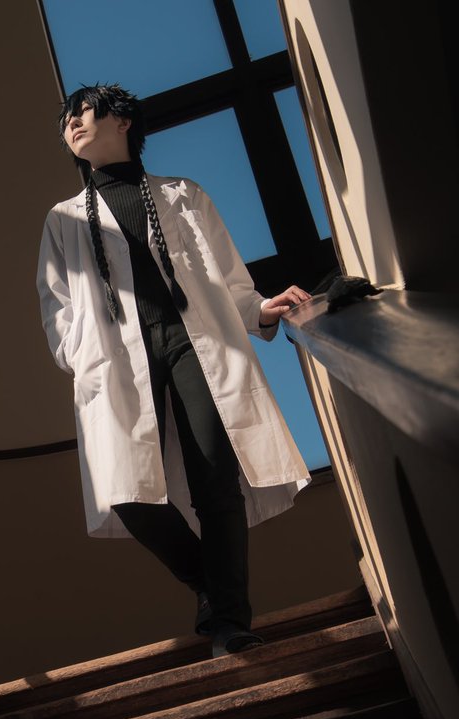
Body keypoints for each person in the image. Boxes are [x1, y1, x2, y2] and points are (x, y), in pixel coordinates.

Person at [36, 84, 312, 656]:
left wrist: (261, 309)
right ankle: (208, 584)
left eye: (81, 112)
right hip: (116, 357)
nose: (71, 125)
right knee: (124, 491)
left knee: (216, 478)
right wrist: (81, 355)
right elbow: (56, 308)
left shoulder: (184, 195)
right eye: (65, 121)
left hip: (195, 341)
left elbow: (228, 279)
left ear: (122, 121)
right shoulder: (63, 219)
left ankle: (230, 622)